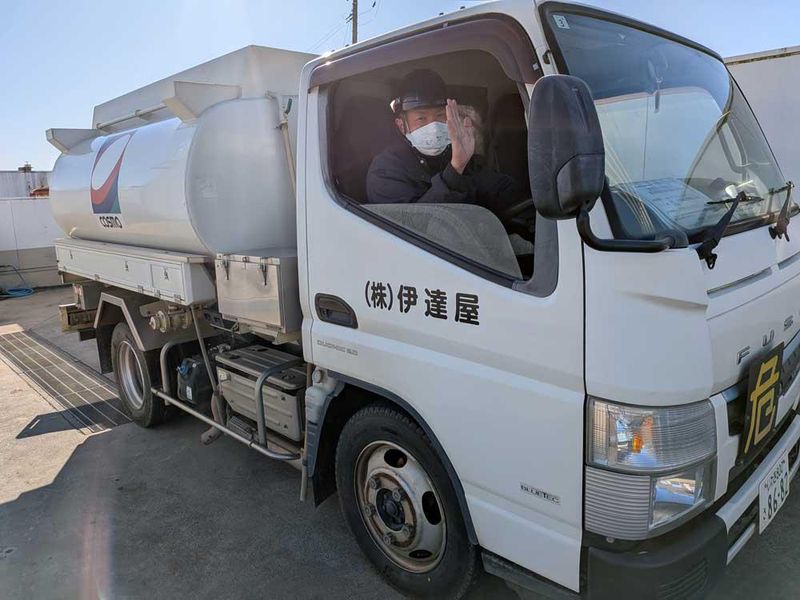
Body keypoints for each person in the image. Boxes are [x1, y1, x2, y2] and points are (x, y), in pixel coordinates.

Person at [365, 69, 522, 213]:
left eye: (440, 115)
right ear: (401, 125)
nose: (433, 126)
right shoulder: (385, 170)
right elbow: (415, 226)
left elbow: (499, 190)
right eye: (421, 118)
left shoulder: (454, 153)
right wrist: (455, 169)